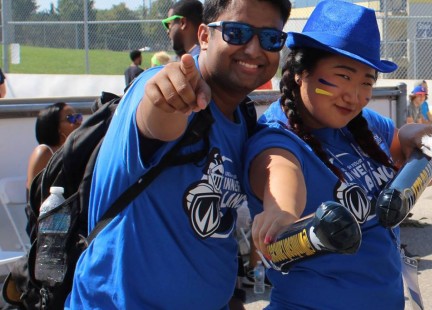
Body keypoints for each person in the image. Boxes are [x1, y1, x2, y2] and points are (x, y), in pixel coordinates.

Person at [66, 0, 291, 308]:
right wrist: (167, 99)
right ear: (203, 36)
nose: (254, 49)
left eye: (270, 38)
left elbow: (214, 230)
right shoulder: (164, 85)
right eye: (237, 32)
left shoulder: (243, 119)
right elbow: (157, 116)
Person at [243, 1, 429, 308]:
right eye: (343, 76)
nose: (354, 96)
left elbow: (402, 153)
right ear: (301, 72)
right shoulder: (278, 138)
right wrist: (281, 214)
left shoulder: (364, 125)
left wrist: (414, 139)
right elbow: (281, 174)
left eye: (366, 82)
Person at [26, 102, 82, 189]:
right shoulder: (44, 152)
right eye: (71, 118)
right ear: (55, 126)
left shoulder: (75, 150)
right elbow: (33, 194)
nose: (78, 122)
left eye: (78, 117)